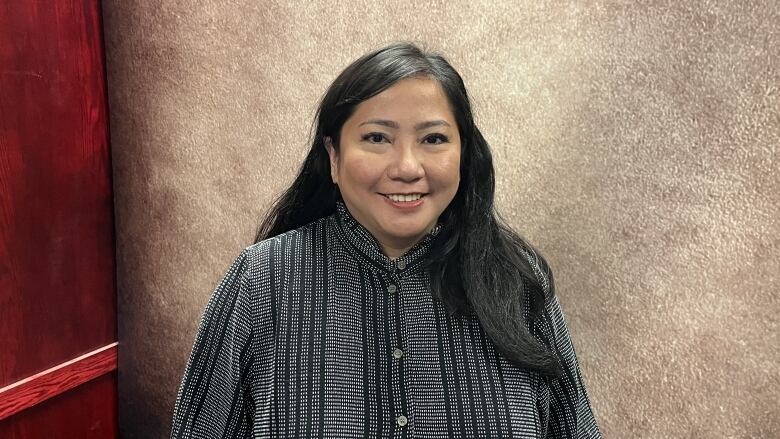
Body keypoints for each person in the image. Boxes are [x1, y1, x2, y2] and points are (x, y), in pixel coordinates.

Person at [170, 42, 601, 438]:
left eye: (433, 139)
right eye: (377, 138)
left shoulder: (516, 279)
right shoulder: (260, 280)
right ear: (334, 158)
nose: (407, 167)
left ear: (464, 156)